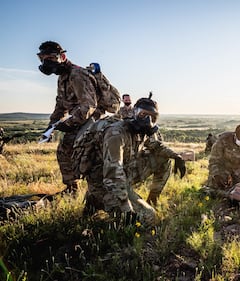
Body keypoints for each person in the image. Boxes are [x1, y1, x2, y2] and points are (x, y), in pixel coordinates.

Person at [77, 95, 186, 224]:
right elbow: (113, 175)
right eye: (143, 114)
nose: (147, 120)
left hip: (125, 174)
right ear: (134, 112)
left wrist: (176, 156)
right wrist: (126, 208)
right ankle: (97, 198)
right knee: (148, 217)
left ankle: (151, 201)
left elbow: (156, 146)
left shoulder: (141, 131)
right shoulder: (116, 133)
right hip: (106, 183)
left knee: (164, 158)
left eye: (153, 117)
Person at [37, 41, 98, 193]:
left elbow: (89, 105)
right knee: (64, 151)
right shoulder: (62, 77)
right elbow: (61, 105)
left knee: (77, 153)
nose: (46, 63)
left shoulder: (77, 74)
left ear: (62, 56)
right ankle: (72, 188)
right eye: (42, 59)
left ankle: (89, 191)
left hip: (92, 118)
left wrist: (69, 123)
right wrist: (50, 127)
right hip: (79, 119)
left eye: (50, 58)